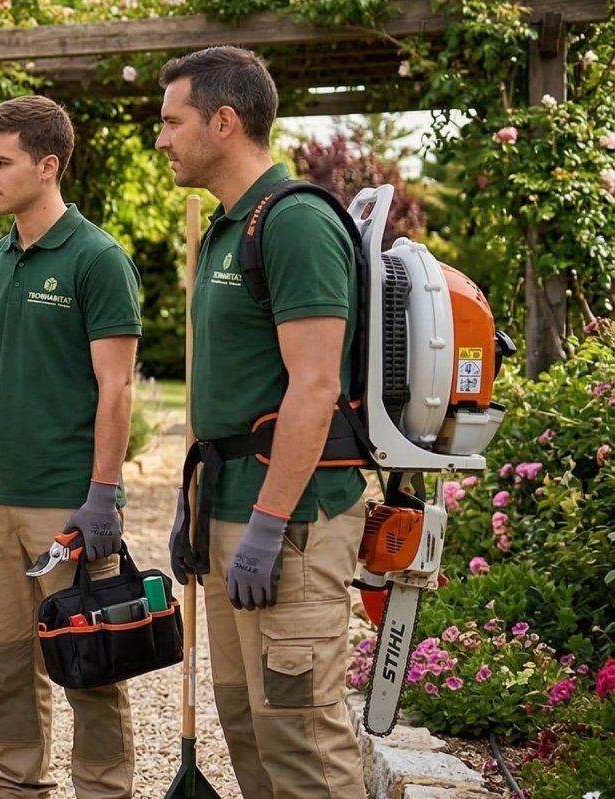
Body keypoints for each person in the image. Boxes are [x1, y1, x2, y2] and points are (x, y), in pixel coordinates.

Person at [157, 46, 367, 798]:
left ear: (224, 121)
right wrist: (194, 508)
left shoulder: (293, 222)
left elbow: (316, 385)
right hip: (227, 510)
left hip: (293, 521)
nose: (161, 138)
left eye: (172, 121)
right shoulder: (227, 227)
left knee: (300, 736)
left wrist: (270, 524)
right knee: (247, 724)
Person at [0, 95, 142, 799]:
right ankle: (18, 786)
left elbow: (116, 386)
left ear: (48, 165)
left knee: (89, 666)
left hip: (67, 506)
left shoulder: (98, 259)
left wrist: (102, 496)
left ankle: (105, 790)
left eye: (1, 162)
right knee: (8, 666)